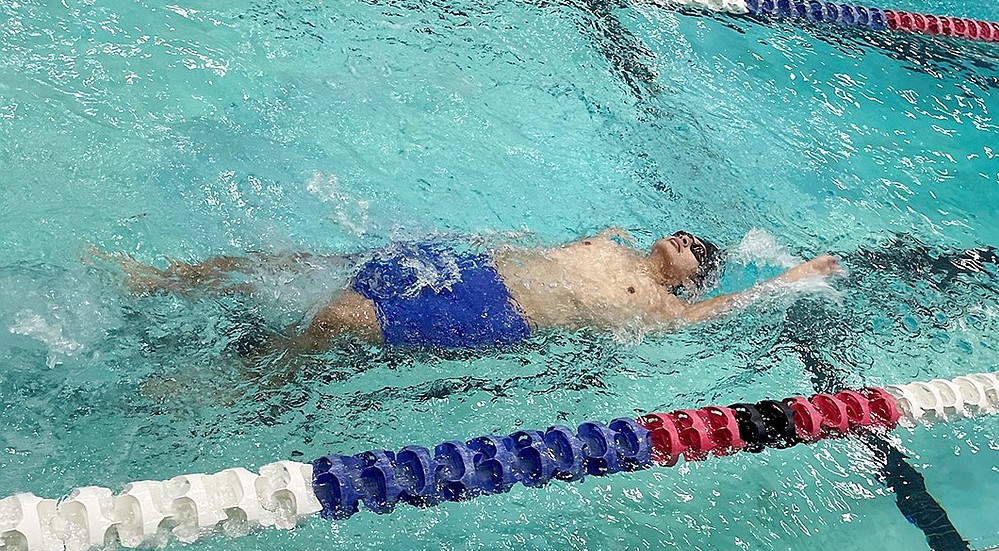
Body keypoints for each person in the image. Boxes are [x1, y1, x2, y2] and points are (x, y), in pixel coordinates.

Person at [92, 229, 841, 358]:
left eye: (700, 254)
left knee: (336, 318)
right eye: (689, 235)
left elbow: (726, 308)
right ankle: (162, 280)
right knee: (296, 262)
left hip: (491, 312)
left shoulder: (663, 308)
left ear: (689, 279)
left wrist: (796, 277)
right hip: (466, 266)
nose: (692, 242)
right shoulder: (611, 243)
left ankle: (255, 373)